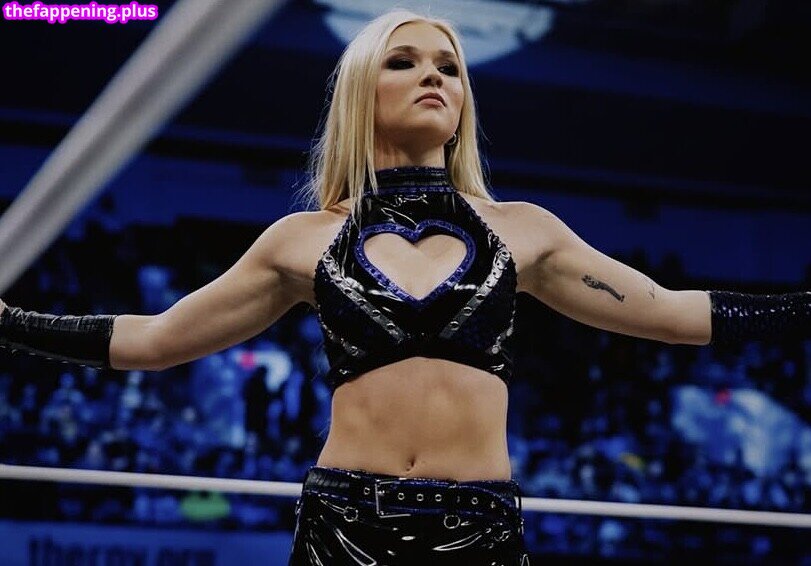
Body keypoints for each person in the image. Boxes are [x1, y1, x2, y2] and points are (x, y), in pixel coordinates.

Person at [1, 8, 809, 566]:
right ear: (363, 90)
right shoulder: (300, 239)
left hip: (480, 528)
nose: (434, 77)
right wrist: (7, 321)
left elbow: (670, 314)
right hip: (345, 525)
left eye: (449, 68)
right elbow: (153, 341)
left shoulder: (524, 230)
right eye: (404, 61)